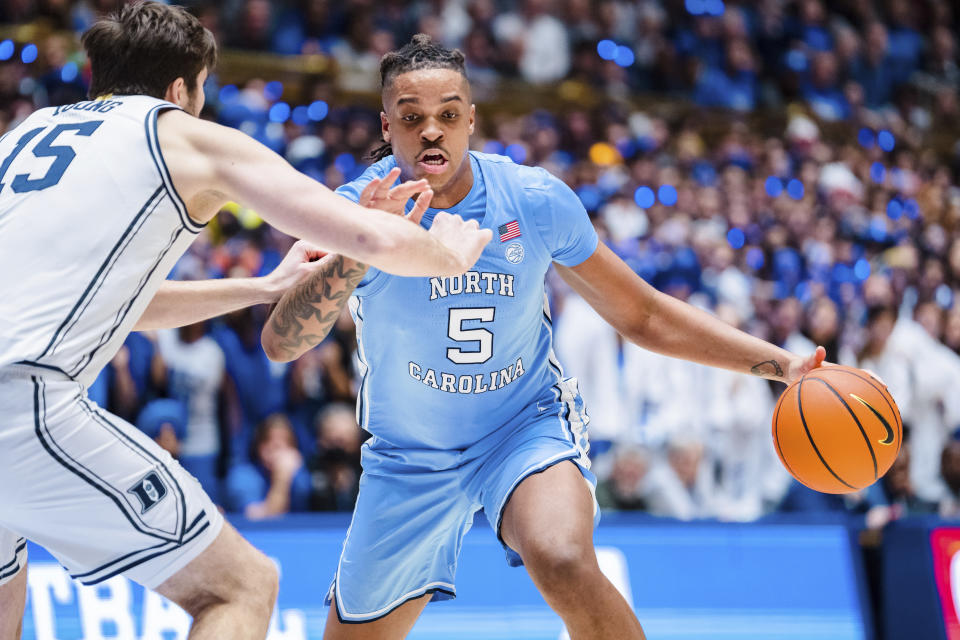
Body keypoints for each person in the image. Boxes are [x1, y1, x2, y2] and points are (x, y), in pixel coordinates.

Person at [262, 34, 825, 640]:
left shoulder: (532, 200)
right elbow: (281, 342)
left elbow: (644, 316)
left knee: (560, 556)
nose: (432, 132)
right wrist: (360, 247)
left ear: (471, 119)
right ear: (387, 125)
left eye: (449, 115)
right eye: (412, 118)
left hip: (520, 428)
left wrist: (779, 365)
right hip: (409, 454)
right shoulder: (354, 208)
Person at [0, 4, 490, 639]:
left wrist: (259, 287)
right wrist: (448, 257)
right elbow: (371, 236)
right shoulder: (180, 132)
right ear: (181, 89)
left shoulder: (25, 136)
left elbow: (116, 304)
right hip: (20, 402)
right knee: (240, 587)